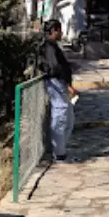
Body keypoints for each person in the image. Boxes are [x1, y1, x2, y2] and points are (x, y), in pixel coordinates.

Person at [40, 19, 77, 161]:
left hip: (61, 84)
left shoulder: (53, 46)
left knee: (68, 119)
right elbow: (55, 68)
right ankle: (59, 153)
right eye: (59, 30)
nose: (61, 33)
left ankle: (61, 149)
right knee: (60, 117)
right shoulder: (49, 47)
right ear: (54, 31)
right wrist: (66, 84)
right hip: (57, 84)